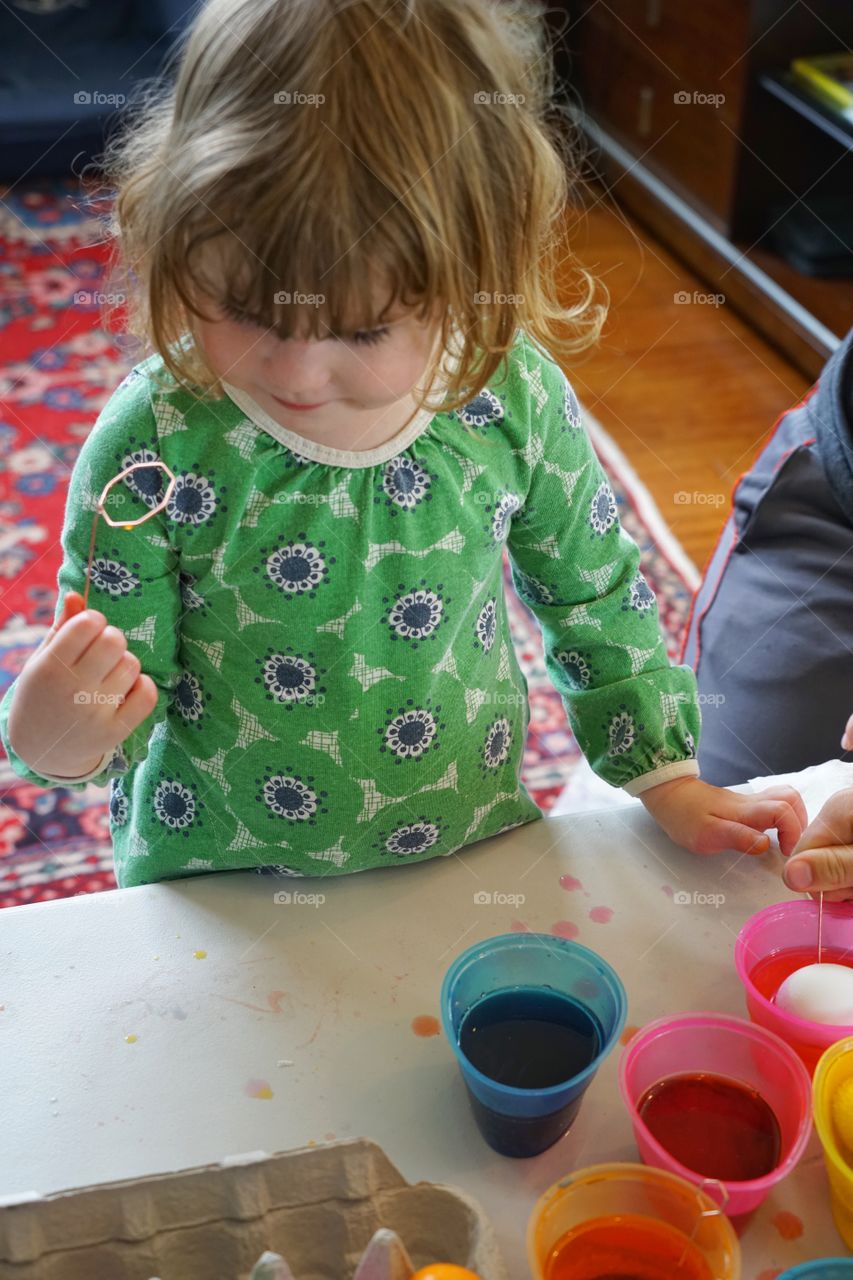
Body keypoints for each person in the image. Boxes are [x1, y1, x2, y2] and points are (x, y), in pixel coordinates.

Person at [0, 0, 804, 889]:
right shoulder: (155, 442)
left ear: (477, 274)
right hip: (214, 877)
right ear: (172, 230)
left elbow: (594, 595)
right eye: (242, 309)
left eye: (365, 331)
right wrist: (60, 733)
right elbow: (119, 687)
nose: (300, 374)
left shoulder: (512, 399)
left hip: (460, 847)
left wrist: (667, 777)